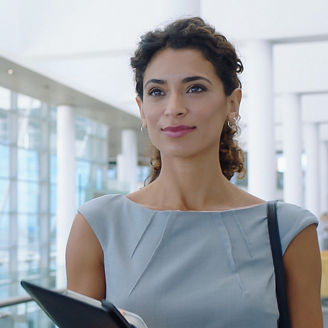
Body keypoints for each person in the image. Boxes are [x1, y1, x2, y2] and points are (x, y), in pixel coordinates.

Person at [66, 17, 323, 327]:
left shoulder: (289, 231)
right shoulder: (99, 225)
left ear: (232, 102)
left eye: (195, 88)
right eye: (157, 92)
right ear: (142, 109)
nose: (174, 107)